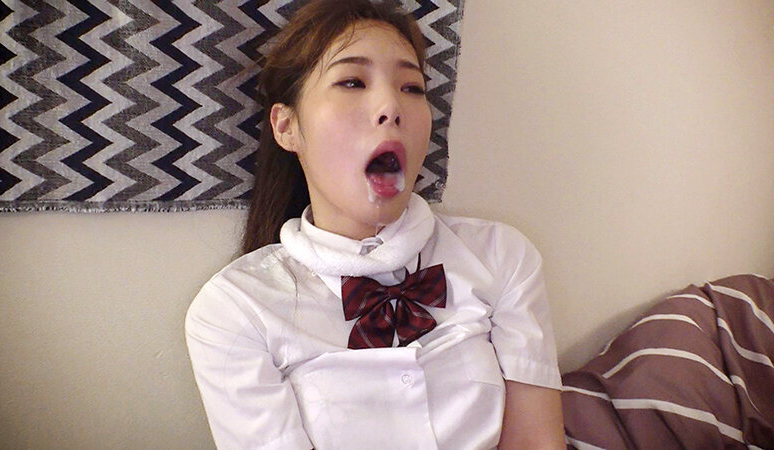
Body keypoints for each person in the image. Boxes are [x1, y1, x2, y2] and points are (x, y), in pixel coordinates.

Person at [185, 0, 565, 448]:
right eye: (352, 81)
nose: (390, 106)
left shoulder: (502, 256)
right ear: (287, 127)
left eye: (412, 87)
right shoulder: (234, 310)